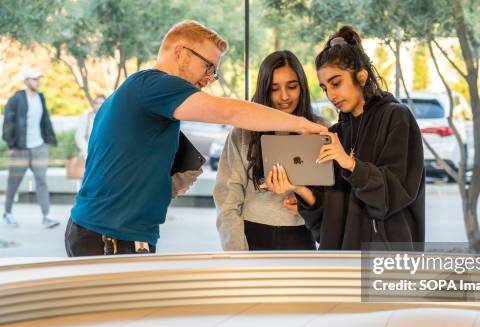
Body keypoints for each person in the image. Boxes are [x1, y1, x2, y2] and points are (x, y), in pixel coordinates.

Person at [65, 20, 327, 257]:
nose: (210, 78)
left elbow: (118, 167)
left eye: (214, 72)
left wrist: (164, 186)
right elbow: (231, 111)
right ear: (180, 53)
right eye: (208, 66)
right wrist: (301, 124)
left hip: (114, 232)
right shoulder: (155, 85)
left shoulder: (142, 96)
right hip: (109, 235)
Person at [262, 26, 425, 249]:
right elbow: (325, 220)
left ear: (361, 76)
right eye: (325, 88)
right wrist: (298, 188)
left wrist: (349, 163)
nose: (330, 95)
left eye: (336, 83)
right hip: (338, 263)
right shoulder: (336, 133)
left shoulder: (397, 117)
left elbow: (393, 196)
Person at [214, 50, 328, 250]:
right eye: (274, 88)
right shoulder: (243, 132)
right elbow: (227, 199)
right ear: (264, 90)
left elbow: (332, 198)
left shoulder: (319, 129)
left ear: (302, 86)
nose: (284, 96)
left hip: (302, 236)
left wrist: (305, 204)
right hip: (251, 236)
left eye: (292, 86)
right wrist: (236, 252)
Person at [2, 68, 60, 229]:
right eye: (34, 79)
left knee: (42, 181)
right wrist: (11, 145)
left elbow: (45, 120)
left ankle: (46, 216)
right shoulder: (16, 99)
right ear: (26, 81)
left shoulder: (40, 97)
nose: (38, 82)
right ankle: (7, 213)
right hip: (20, 149)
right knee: (14, 182)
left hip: (39, 147)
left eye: (38, 79)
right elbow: (8, 122)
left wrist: (49, 139)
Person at [75, 94, 106, 160]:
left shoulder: (109, 119)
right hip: (88, 155)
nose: (99, 105)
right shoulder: (85, 118)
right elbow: (79, 137)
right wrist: (87, 153)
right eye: (96, 103)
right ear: (93, 105)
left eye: (101, 103)